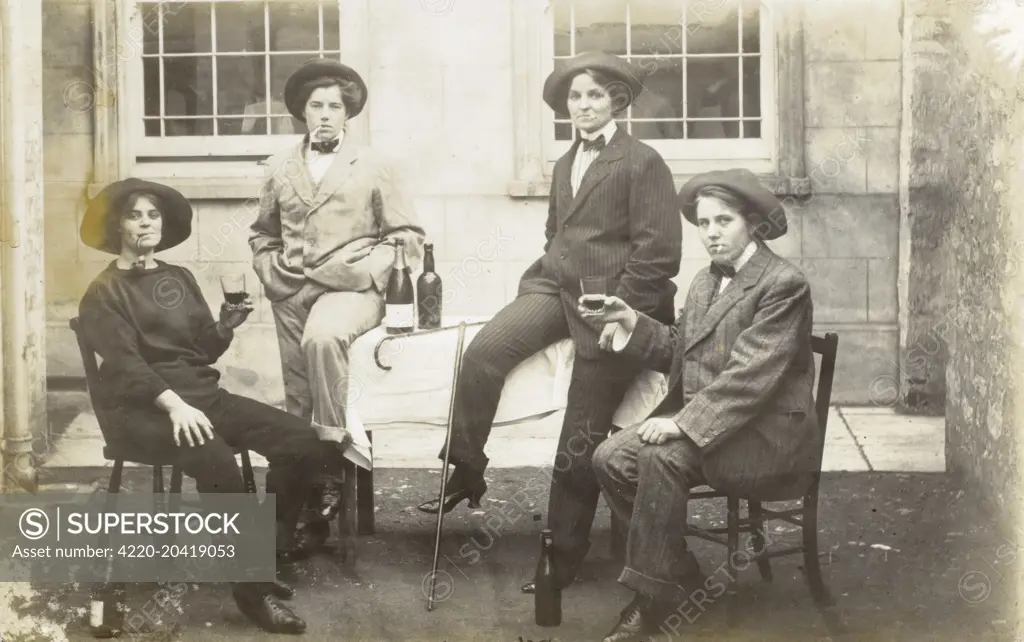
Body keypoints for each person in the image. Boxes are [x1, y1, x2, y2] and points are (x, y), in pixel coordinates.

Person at [414, 51, 683, 594]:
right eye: (574, 97)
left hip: (615, 306)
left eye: (593, 95)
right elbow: (556, 232)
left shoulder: (642, 160)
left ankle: (561, 557)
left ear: (617, 101)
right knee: (483, 352)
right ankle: (467, 468)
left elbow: (660, 252)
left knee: (579, 437)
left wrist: (621, 313)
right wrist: (544, 278)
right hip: (553, 288)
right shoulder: (566, 162)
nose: (581, 105)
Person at [77, 178, 352, 634]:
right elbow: (126, 366)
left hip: (205, 401)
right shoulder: (104, 292)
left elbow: (199, 352)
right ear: (116, 225)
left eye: (153, 215)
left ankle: (266, 557)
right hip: (147, 413)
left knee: (303, 441)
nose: (146, 223)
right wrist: (174, 406)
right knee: (221, 467)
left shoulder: (177, 277)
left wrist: (225, 326)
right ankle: (252, 592)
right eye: (134, 215)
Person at [586, 168, 822, 642]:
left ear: (752, 222)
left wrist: (681, 424)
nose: (711, 233)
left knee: (660, 455)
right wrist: (631, 319)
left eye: (724, 221)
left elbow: (750, 378)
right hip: (717, 426)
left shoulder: (783, 283)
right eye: (703, 223)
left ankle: (650, 601)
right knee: (609, 457)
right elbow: (679, 348)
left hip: (766, 435)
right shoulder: (702, 282)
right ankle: (677, 569)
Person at [249, 58, 426, 546]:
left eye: (335, 106)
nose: (325, 114)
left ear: (348, 114)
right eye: (316, 105)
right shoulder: (279, 167)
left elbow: (407, 235)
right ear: (302, 112)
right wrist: (269, 272)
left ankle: (330, 465)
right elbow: (262, 232)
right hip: (290, 288)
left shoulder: (374, 164)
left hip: (351, 289)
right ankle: (297, 511)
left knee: (324, 339)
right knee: (297, 392)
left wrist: (370, 269)